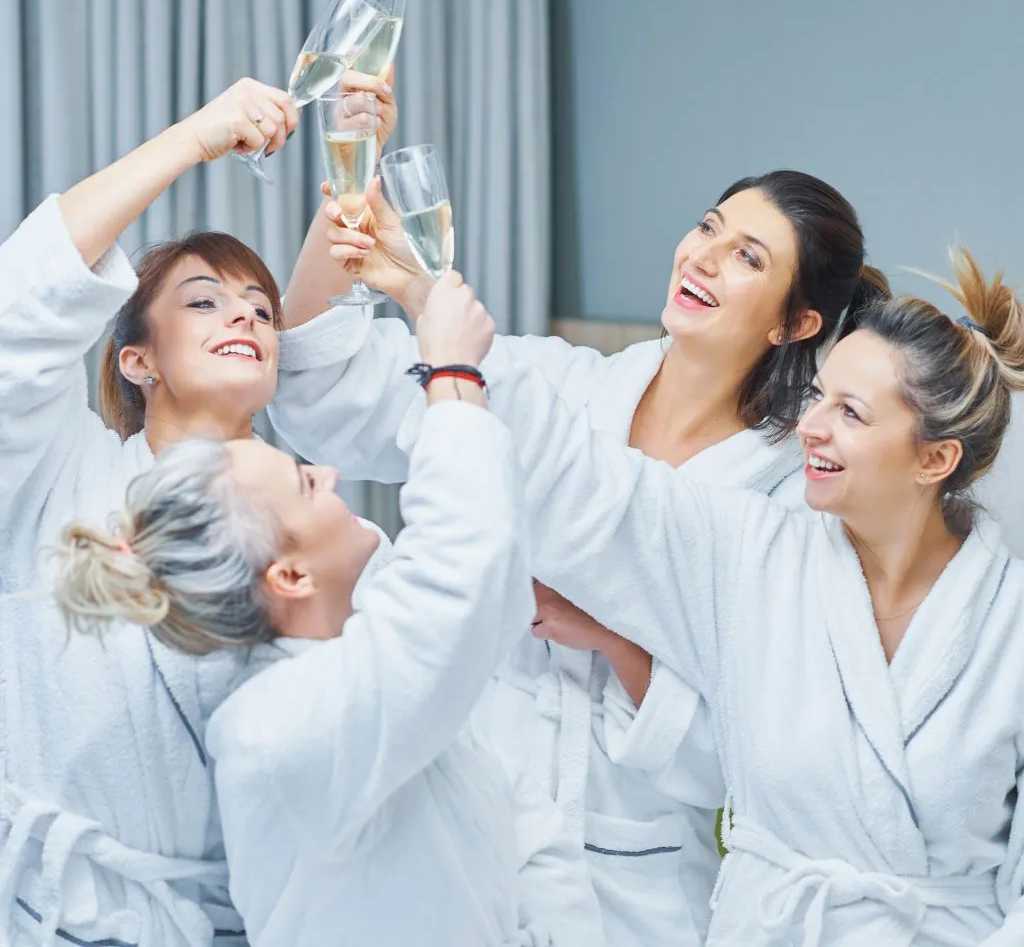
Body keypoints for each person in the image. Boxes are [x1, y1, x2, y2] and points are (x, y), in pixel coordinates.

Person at [268, 168, 889, 944]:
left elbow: (754, 744)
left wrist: (611, 636)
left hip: (637, 883)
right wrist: (352, 196)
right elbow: (323, 392)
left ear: (794, 324)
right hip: (466, 832)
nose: (702, 256)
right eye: (706, 227)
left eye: (747, 258)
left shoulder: (791, 496)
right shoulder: (553, 383)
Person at [433, 249, 1024, 946]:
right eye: (817, 397)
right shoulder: (753, 556)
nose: (809, 427)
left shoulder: (1007, 626)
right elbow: (593, 488)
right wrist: (453, 365)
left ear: (935, 459)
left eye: (851, 414)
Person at [54, 274, 605, 947]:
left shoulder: (360, 680)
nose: (333, 474)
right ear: (288, 573)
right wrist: (451, 376)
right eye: (307, 482)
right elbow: (461, 577)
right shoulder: (283, 732)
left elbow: (518, 822)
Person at [0, 72, 388, 945]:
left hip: (239, 921)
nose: (244, 317)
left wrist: (357, 168)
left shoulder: (323, 525)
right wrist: (195, 137)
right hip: (53, 915)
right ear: (137, 361)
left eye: (259, 308)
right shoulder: (52, 472)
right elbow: (16, 315)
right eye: (203, 302)